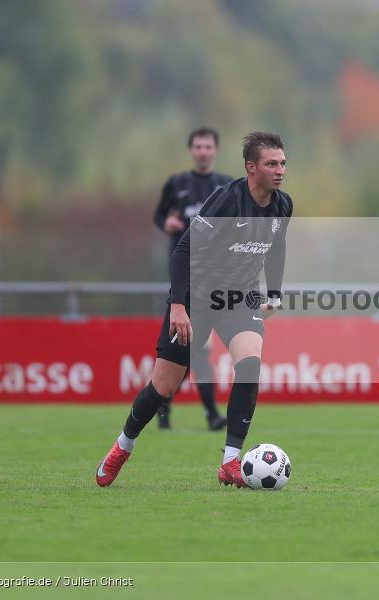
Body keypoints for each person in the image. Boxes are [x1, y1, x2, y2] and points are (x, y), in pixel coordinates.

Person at [96, 131, 292, 488]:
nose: (280, 170)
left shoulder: (283, 205)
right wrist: (178, 306)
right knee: (163, 387)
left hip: (241, 298)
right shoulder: (226, 202)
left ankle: (230, 461)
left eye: (282, 163)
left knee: (249, 365)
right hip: (197, 299)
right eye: (271, 164)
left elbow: (277, 247)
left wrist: (275, 295)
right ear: (251, 167)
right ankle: (123, 445)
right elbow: (183, 251)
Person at [152, 127, 233, 432]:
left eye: (208, 146)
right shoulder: (176, 184)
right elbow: (160, 216)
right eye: (198, 146)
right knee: (185, 347)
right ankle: (183, 409)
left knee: (198, 348)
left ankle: (198, 411)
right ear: (191, 150)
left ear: (215, 150)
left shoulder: (225, 186)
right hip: (183, 277)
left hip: (212, 277)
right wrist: (166, 223)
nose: (202, 151)